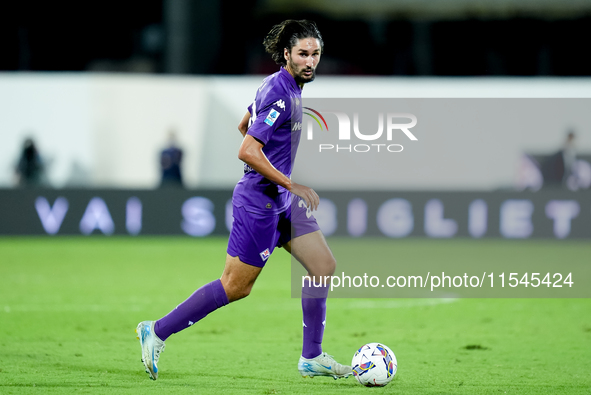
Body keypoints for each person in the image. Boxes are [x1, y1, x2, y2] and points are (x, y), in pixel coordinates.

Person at [136, 19, 352, 381]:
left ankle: (311, 357)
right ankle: (156, 330)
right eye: (303, 54)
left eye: (315, 54)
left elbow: (245, 124)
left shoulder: (282, 86)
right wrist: (290, 183)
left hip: (279, 198)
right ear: (287, 54)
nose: (310, 61)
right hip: (260, 200)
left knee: (323, 266)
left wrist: (283, 182)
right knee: (236, 286)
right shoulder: (281, 93)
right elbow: (247, 148)